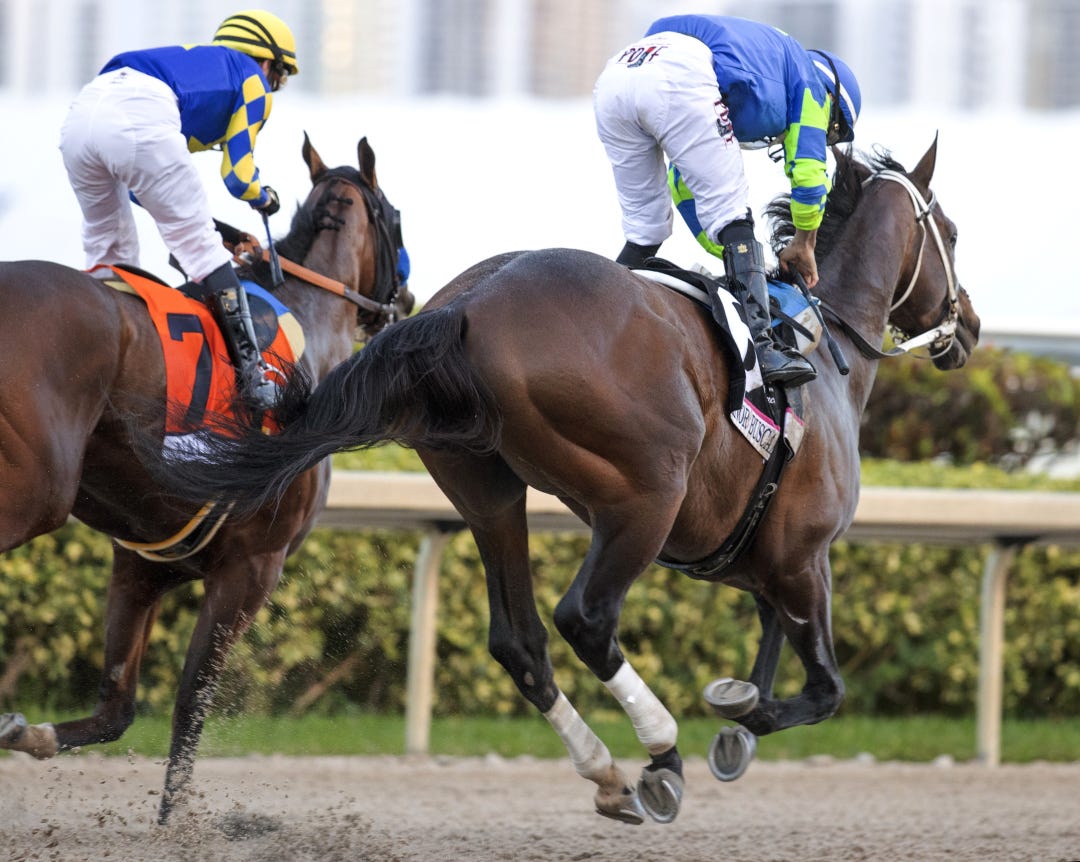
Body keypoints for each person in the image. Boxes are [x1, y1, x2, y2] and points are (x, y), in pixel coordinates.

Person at [593, 14, 861, 387]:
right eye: (832, 132)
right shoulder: (813, 83)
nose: (826, 139)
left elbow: (685, 186)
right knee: (735, 214)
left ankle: (594, 322)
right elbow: (809, 172)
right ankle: (764, 350)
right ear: (834, 103)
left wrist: (743, 256)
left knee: (646, 230)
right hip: (677, 73)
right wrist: (804, 242)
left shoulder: (756, 67)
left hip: (618, 75)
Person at [59, 10, 299, 411]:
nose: (274, 85)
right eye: (279, 76)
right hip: (139, 115)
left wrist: (217, 227)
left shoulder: (193, 67)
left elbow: (144, 190)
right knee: (202, 252)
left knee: (109, 254)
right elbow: (239, 175)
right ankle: (254, 380)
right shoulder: (252, 79)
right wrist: (265, 198)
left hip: (80, 118)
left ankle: (95, 366)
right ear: (266, 62)